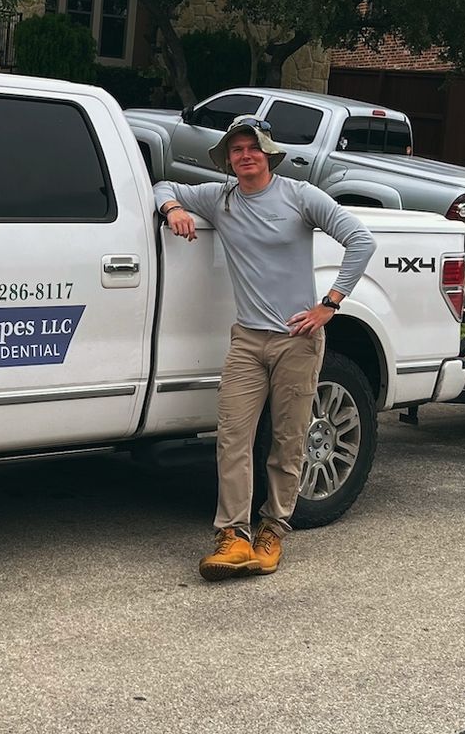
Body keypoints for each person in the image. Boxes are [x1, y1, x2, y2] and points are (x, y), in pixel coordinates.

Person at [156, 115, 375, 580]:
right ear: (228, 160)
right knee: (232, 437)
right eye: (236, 150)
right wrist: (172, 209)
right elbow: (163, 184)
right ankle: (233, 535)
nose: (245, 155)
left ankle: (273, 529)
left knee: (288, 440)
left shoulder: (299, 196)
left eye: (252, 148)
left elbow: (361, 240)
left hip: (297, 341)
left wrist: (328, 305)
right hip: (247, 341)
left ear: (268, 153)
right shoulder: (221, 199)